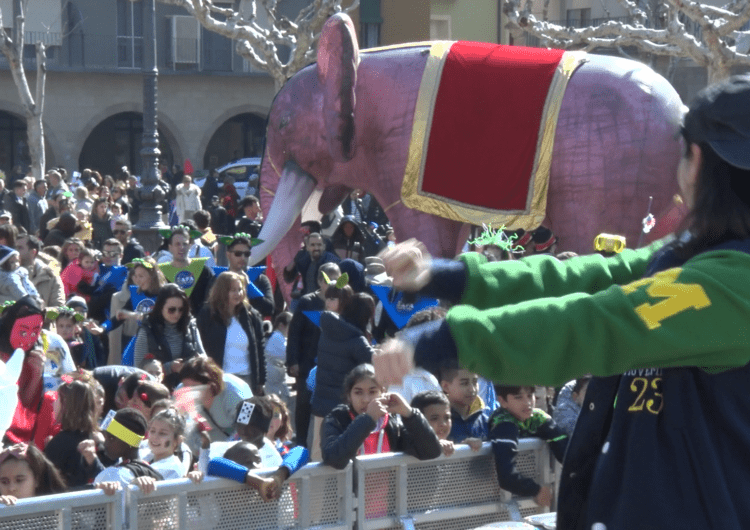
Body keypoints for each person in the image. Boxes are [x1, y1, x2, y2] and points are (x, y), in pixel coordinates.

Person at [373, 76, 750, 529]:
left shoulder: (731, 281)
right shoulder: (691, 253)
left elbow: (598, 321)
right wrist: (445, 277)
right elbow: (582, 279)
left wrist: (445, 339)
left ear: (697, 161)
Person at [321, 363, 441, 469]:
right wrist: (368, 419)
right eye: (358, 392)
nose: (366, 399)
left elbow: (430, 452)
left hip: (390, 495)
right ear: (349, 396)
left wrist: (410, 414)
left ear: (383, 392)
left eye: (372, 392)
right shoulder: (337, 419)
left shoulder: (393, 423)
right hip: (348, 494)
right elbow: (334, 459)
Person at [311, 291, 376, 461]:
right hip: (342, 405)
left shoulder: (328, 329)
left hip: (321, 399)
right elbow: (372, 362)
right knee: (341, 450)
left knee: (318, 448)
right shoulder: (356, 339)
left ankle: (314, 488)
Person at [286, 262, 341, 448]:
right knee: (303, 403)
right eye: (329, 279)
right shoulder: (307, 302)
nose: (333, 283)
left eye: (337, 279)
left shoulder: (344, 302)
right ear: (319, 281)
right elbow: (294, 333)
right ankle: (300, 441)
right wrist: (292, 361)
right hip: (307, 362)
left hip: (332, 363)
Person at [489, 385, 568, 508]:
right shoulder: (503, 423)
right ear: (503, 401)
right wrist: (536, 490)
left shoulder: (538, 417)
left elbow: (567, 454)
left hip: (528, 498)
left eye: (530, 395)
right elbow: (506, 476)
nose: (527, 403)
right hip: (494, 499)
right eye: (518, 397)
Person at [198, 271, 266, 395]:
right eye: (232, 290)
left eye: (240, 289)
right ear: (222, 291)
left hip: (247, 380)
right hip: (220, 380)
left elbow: (260, 349)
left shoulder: (252, 315)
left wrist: (261, 381)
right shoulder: (207, 313)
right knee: (222, 414)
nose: (238, 294)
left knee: (246, 413)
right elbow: (201, 346)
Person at [132, 283, 205, 389]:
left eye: (181, 309)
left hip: (188, 388)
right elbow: (138, 370)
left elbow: (203, 356)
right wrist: (169, 367)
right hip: (157, 390)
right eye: (172, 310)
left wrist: (194, 364)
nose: (177, 314)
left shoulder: (190, 326)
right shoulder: (147, 329)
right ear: (160, 307)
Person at [178, 356, 252, 445]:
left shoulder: (237, 394)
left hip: (241, 445)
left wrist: (225, 450)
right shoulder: (181, 392)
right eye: (185, 386)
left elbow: (250, 427)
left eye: (194, 387)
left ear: (210, 384)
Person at [43, 379, 102, 489]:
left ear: (65, 404)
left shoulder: (58, 443)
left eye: (57, 399)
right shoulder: (97, 436)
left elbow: (46, 484)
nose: (53, 403)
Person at [109, 257, 166, 365]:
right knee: (129, 366)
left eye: (141, 276)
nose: (137, 280)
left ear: (152, 276)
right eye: (135, 275)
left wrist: (133, 315)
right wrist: (102, 328)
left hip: (161, 339)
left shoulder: (165, 293)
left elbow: (157, 318)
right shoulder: (136, 293)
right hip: (141, 337)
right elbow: (120, 316)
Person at [157, 226, 215, 316]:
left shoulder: (203, 271)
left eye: (185, 244)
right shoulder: (162, 273)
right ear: (170, 247)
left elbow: (211, 300)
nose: (181, 247)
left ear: (190, 246)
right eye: (177, 244)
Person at [439, 360, 488, 446]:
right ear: (445, 386)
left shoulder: (484, 420)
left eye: (475, 382)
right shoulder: (439, 420)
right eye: (464, 383)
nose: (472, 389)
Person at [0, 443, 67, 505]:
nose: (11, 488)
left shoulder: (60, 509)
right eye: (4, 482)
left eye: (19, 480)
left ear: (37, 480)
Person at [283, 232, 341, 296]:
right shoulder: (304, 258)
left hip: (325, 299)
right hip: (306, 297)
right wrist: (294, 260)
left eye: (319, 245)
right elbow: (288, 278)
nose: (316, 248)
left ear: (324, 246)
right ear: (307, 247)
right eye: (312, 245)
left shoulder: (331, 261)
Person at [17, 234, 65, 309]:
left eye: (19, 248)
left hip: (42, 320)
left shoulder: (51, 276)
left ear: (33, 252)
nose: (15, 252)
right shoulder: (6, 275)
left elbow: (59, 308)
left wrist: (40, 312)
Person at [141, 407, 189, 480]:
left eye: (162, 433)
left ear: (177, 440)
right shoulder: (144, 454)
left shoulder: (172, 469)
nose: (155, 437)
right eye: (152, 431)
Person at [410, 390, 455, 456]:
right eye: (434, 418)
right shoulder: (408, 448)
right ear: (417, 421)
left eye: (447, 417)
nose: (443, 424)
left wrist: (468, 446)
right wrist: (434, 445)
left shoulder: (454, 441)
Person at [264, 312, 292, 404]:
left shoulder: (277, 336)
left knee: (281, 398)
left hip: (276, 372)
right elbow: (287, 355)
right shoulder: (277, 337)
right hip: (273, 372)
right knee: (275, 401)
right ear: (281, 325)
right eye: (289, 325)